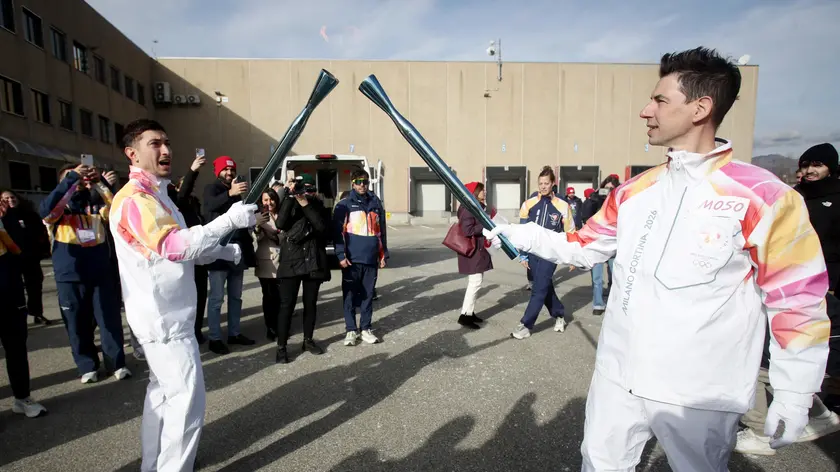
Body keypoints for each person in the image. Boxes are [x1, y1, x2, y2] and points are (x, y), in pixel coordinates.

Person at [487, 47, 830, 470]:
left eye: (660, 100)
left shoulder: (766, 196)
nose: (645, 110)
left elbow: (797, 301)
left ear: (701, 108)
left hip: (699, 392)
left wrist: (795, 393)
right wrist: (519, 232)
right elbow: (582, 245)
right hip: (618, 377)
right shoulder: (634, 191)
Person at [110, 119, 255, 471]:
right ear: (132, 153)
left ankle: (154, 464)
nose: (166, 150)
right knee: (186, 402)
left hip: (167, 317)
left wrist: (223, 251)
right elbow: (174, 247)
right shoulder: (136, 200)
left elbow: (186, 244)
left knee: (162, 396)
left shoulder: (158, 196)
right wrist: (229, 222)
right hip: (164, 322)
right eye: (154, 143)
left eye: (167, 142)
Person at [40, 163, 130, 384]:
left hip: (101, 274)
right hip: (70, 277)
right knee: (77, 325)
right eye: (73, 178)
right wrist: (70, 179)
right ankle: (87, 365)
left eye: (81, 179)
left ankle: (116, 363)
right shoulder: (58, 212)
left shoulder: (96, 207)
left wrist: (99, 182)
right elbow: (46, 210)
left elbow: (118, 209)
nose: (79, 182)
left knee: (109, 321)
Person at [202, 156, 257, 354]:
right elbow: (209, 207)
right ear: (217, 171)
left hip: (237, 251)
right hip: (218, 252)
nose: (229, 173)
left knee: (236, 297)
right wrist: (230, 193)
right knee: (217, 298)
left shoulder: (237, 194)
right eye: (225, 169)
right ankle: (215, 338)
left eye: (232, 170)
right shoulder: (212, 188)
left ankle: (234, 333)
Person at [511, 166, 574, 339]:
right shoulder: (529, 204)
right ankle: (559, 314)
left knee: (538, 288)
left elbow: (571, 232)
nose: (543, 186)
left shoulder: (563, 206)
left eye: (546, 183)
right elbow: (522, 231)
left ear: (553, 183)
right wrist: (522, 254)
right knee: (544, 286)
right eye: (540, 183)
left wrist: (572, 258)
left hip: (551, 253)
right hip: (533, 253)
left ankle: (526, 325)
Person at [274, 174, 331, 363]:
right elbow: (280, 224)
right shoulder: (289, 203)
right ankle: (281, 346)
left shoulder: (319, 207)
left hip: (313, 260)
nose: (305, 193)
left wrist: (304, 202)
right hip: (292, 260)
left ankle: (308, 340)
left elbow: (322, 228)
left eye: (309, 189)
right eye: (302, 189)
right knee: (286, 305)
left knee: (310, 304)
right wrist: (291, 196)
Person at [0, 199, 47, 418]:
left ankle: (23, 398)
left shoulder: (7, 218)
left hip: (10, 292)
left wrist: (7, 220)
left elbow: (23, 251)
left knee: (16, 349)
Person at [333, 169, 388, 346]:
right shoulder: (345, 204)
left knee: (368, 295)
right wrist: (341, 255)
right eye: (358, 181)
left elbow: (381, 231)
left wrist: (383, 253)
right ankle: (350, 330)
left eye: (365, 182)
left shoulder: (376, 203)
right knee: (349, 296)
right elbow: (337, 233)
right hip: (352, 259)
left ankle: (365, 328)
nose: (362, 185)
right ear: (352, 183)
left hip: (371, 258)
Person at [170, 154, 209, 343]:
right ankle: (188, 332)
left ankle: (197, 330)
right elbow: (183, 194)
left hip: (198, 255)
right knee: (187, 298)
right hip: (184, 256)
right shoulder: (178, 203)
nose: (191, 188)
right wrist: (193, 170)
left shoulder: (195, 204)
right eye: (187, 184)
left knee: (201, 295)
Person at [794, 143, 840, 293]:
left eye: (817, 165)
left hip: (831, 274)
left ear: (830, 168)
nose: (809, 171)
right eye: (805, 166)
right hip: (796, 269)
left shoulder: (837, 194)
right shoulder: (793, 194)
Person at [1, 189, 51, 324]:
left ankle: (37, 313)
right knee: (14, 288)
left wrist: (43, 250)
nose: (10, 200)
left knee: (35, 286)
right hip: (11, 259)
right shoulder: (2, 217)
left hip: (30, 257)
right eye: (6, 199)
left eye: (12, 197)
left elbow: (42, 233)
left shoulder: (30, 215)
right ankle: (18, 316)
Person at [455, 182, 495, 330]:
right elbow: (467, 230)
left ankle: (469, 313)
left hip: (477, 250)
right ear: (474, 192)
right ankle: (465, 316)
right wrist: (485, 226)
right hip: (472, 251)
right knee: (475, 282)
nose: (484, 192)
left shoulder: (475, 207)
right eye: (481, 190)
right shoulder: (468, 208)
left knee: (476, 282)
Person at [580, 175, 620, 316]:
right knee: (597, 277)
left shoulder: (619, 202)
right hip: (597, 244)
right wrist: (595, 197)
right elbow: (585, 215)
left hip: (613, 244)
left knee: (614, 274)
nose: (608, 191)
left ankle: (613, 299)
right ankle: (598, 304)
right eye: (606, 188)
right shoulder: (595, 200)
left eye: (611, 189)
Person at [254, 188, 282, 341]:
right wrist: (258, 227)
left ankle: (281, 325)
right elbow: (255, 238)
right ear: (261, 202)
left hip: (283, 259)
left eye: (271, 199)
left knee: (281, 297)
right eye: (265, 200)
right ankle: (270, 327)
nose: (269, 202)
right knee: (269, 296)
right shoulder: (258, 217)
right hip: (266, 261)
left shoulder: (282, 214)